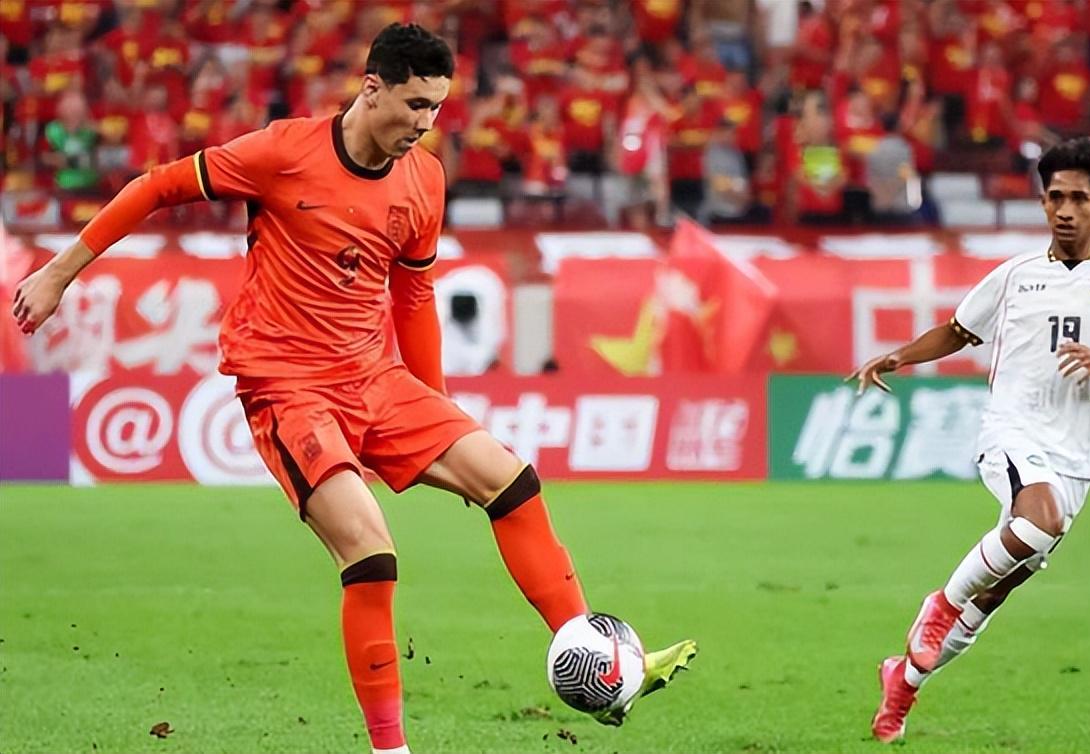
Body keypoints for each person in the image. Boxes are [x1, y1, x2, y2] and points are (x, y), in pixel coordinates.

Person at [11, 23, 696, 754]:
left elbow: (414, 297)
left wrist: (437, 406)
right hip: (286, 384)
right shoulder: (283, 152)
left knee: (509, 477)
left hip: (373, 377)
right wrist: (57, 274)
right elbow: (157, 186)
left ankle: (593, 652)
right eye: (415, 104)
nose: (425, 123)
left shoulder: (424, 179)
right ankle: (389, 750)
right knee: (371, 552)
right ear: (372, 89)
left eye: (436, 107)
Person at [851, 138, 1090, 743]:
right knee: (1037, 523)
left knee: (995, 592)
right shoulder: (1017, 275)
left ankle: (905, 681)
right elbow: (957, 331)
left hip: (1076, 457)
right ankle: (939, 605)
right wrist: (898, 356)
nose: (1065, 210)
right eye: (1055, 197)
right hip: (1013, 431)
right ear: (1043, 201)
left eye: (1078, 198)